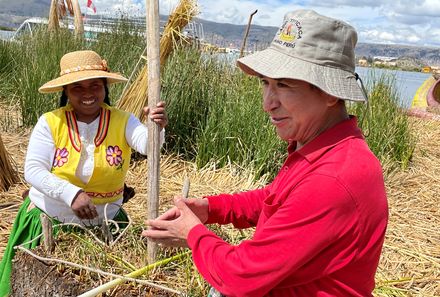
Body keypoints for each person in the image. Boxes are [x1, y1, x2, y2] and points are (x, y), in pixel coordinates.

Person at [143, 9, 388, 297]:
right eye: (265, 83)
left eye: (283, 85)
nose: (268, 104)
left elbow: (239, 277)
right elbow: (276, 199)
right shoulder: (321, 149)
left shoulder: (332, 178)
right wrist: (211, 208)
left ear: (330, 93)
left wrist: (193, 234)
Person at [0, 50, 168, 296]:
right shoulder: (50, 122)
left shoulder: (123, 120)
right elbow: (33, 170)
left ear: (105, 88)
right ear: (66, 91)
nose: (88, 93)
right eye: (77, 87)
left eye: (95, 86)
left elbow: (148, 146)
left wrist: (156, 126)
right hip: (50, 221)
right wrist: (71, 194)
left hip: (106, 225)